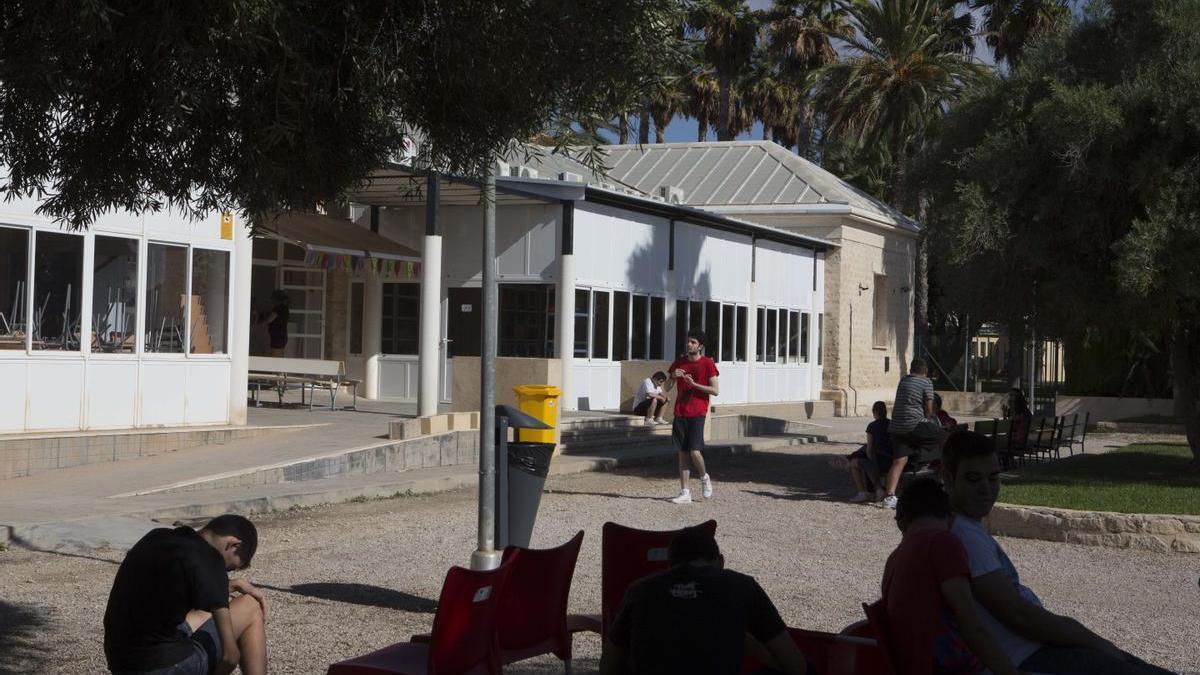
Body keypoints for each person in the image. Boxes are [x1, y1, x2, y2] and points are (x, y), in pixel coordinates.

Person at [942, 431, 1174, 674]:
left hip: (1037, 647)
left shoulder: (961, 525)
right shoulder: (964, 535)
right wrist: (1092, 640)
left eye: (993, 478)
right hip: (1029, 655)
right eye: (973, 479)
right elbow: (1019, 616)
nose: (986, 489)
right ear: (948, 478)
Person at [599, 526, 810, 675]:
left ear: (669, 565)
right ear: (720, 561)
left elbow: (608, 668)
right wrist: (748, 645)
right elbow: (796, 666)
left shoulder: (640, 590)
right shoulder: (742, 586)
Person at [883, 477, 1019, 675]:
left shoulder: (895, 558)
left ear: (901, 521)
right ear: (951, 517)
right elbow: (972, 626)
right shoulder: (942, 544)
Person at [104, 515, 267, 675]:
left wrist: (229, 585)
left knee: (205, 612)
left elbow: (191, 593)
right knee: (249, 605)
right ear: (233, 545)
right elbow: (230, 656)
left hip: (121, 663)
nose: (225, 571)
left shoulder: (158, 538)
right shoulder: (211, 560)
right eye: (229, 568)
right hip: (163, 667)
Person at [664, 331, 719, 504]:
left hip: (698, 412)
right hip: (680, 412)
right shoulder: (679, 362)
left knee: (695, 452)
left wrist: (694, 385)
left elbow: (715, 390)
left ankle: (704, 477)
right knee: (683, 453)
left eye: (693, 342)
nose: (689, 345)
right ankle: (685, 492)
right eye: (688, 342)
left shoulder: (707, 363)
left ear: (700, 346)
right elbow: (666, 387)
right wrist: (673, 376)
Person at [883, 359, 945, 509]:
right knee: (945, 438)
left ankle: (889, 497)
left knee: (899, 461)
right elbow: (929, 410)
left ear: (911, 370)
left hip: (896, 427)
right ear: (925, 371)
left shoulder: (903, 381)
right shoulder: (926, 382)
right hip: (914, 425)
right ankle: (944, 480)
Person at [847, 401, 893, 503]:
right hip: (891, 460)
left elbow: (870, 448)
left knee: (855, 463)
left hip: (879, 460)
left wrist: (869, 459)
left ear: (874, 412)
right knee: (867, 463)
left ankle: (863, 492)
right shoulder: (891, 424)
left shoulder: (872, 426)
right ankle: (877, 490)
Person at [258, 290, 290, 357]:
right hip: (282, 335)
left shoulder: (278, 308)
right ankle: (281, 367)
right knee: (280, 356)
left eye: (272, 298)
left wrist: (262, 322)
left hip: (277, 336)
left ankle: (278, 367)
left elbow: (269, 319)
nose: (271, 300)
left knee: (276, 357)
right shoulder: (285, 308)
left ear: (276, 299)